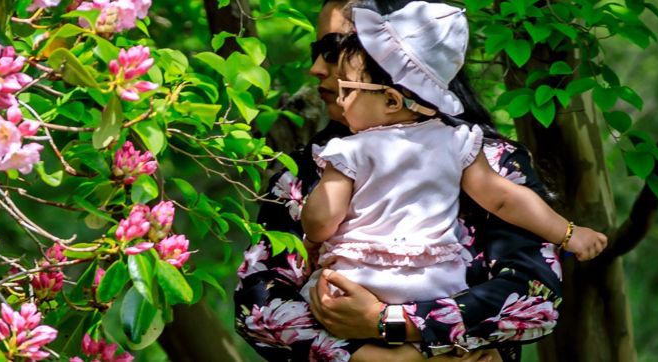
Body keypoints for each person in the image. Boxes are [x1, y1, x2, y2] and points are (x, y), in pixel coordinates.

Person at [234, 0, 580, 361]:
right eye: (315, 51)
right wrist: (377, 357)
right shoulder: (306, 172)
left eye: (333, 49)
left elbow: (533, 298)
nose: (316, 68)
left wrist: (391, 322)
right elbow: (258, 304)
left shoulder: (488, 162)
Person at [298, 1, 606, 311]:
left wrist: (310, 238)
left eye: (348, 91)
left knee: (310, 300)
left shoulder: (348, 149)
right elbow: (505, 199)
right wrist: (568, 233)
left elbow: (322, 221)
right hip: (436, 289)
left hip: (356, 281)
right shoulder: (459, 141)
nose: (340, 99)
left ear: (392, 100)